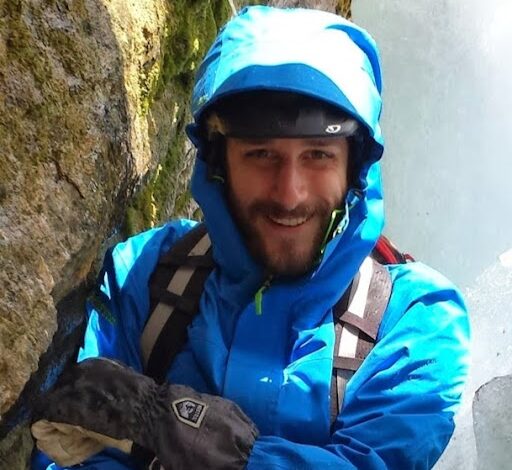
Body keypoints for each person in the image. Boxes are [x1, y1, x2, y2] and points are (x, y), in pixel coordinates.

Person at [31, 5, 470, 470]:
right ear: (218, 163)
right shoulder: (143, 273)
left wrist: (176, 428)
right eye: (260, 154)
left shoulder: (417, 319)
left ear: (355, 168)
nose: (290, 194)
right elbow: (67, 451)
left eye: (318, 155)